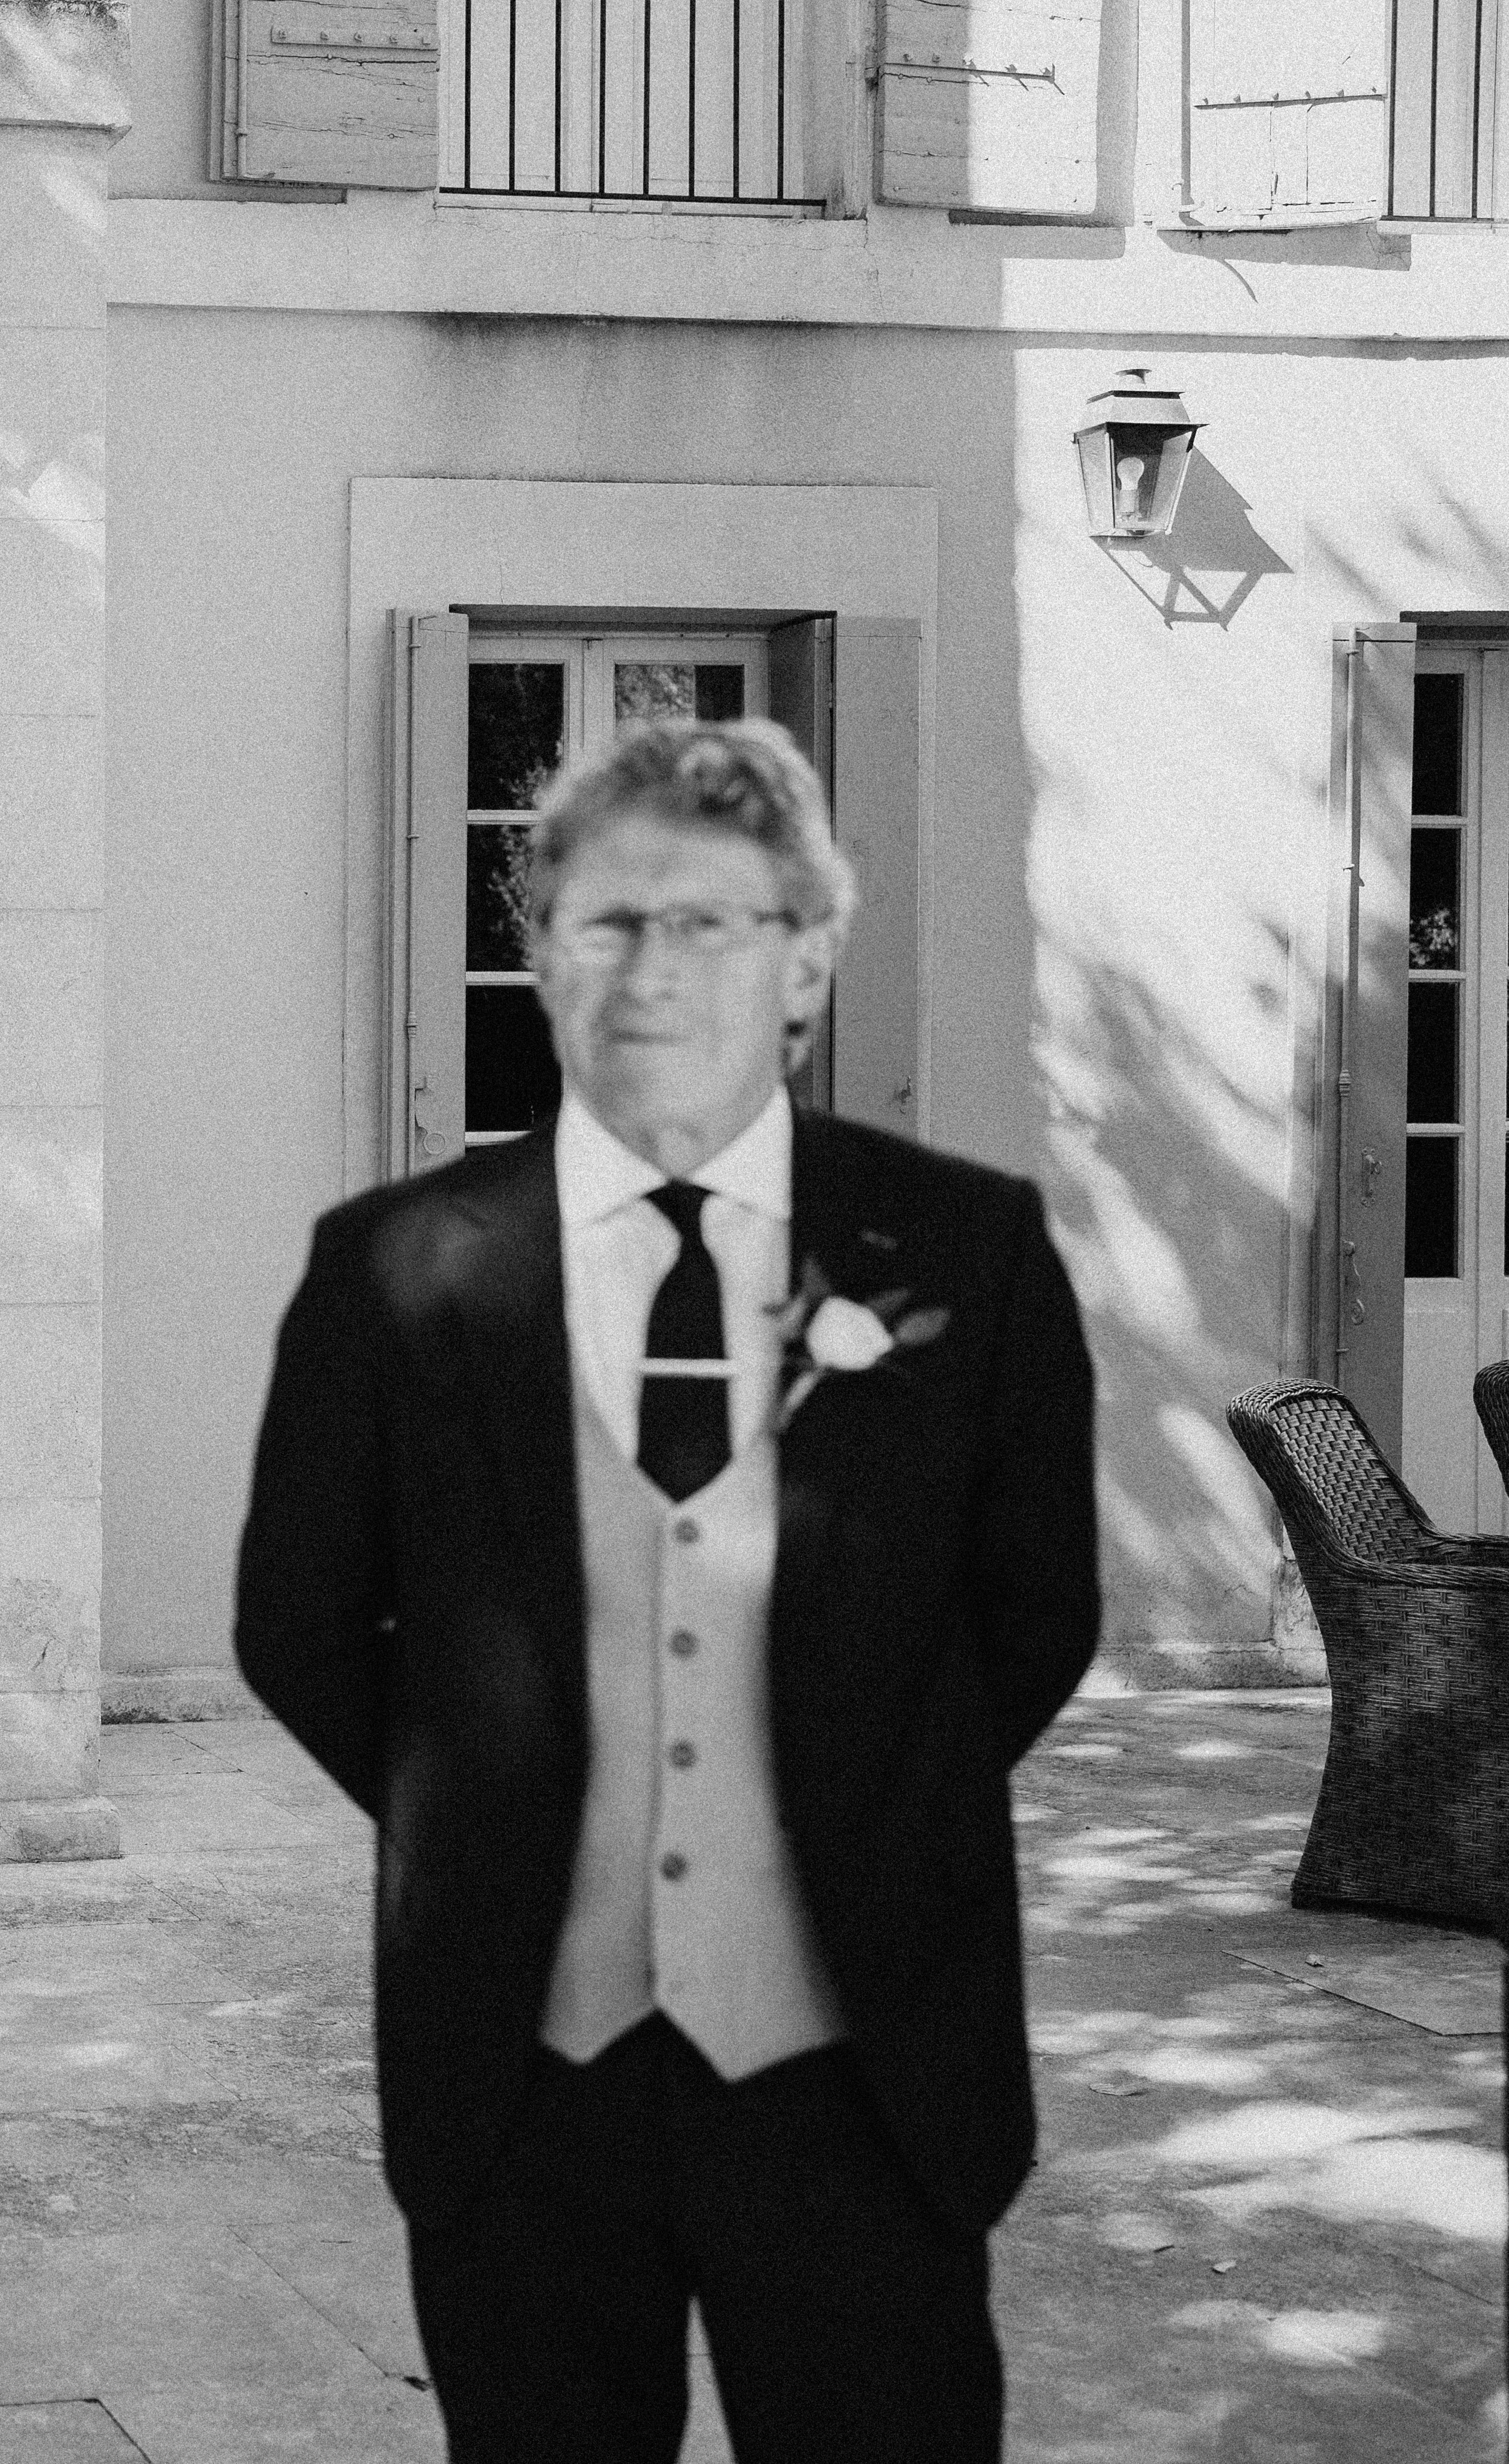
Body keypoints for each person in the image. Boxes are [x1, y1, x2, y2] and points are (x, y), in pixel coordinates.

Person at [234, 718, 1097, 2462]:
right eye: (604, 919)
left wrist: (859, 1796)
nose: (652, 969)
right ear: (540, 949)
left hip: (861, 2073)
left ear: (808, 958)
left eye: (711, 922)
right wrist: (487, 1806)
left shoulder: (967, 1249)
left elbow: (1034, 1611)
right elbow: (298, 1624)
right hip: (524, 2077)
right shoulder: (389, 1267)